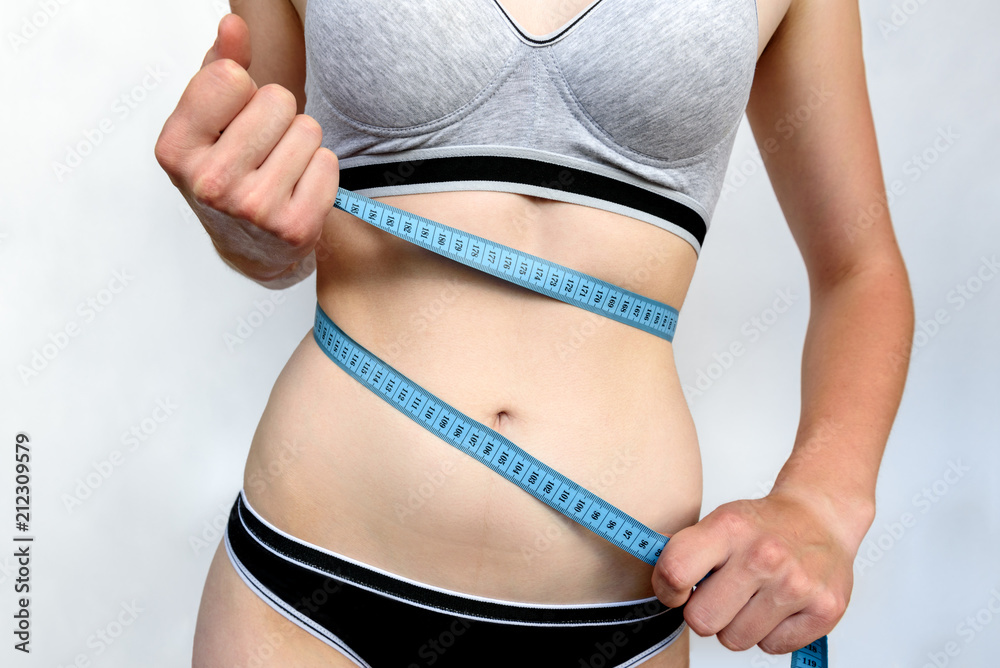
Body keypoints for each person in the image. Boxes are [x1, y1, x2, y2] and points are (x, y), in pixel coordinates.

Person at [155, 1, 914, 666]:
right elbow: (265, 213)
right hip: (307, 591)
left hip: (611, 617)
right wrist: (247, 234)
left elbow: (859, 268)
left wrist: (823, 504)